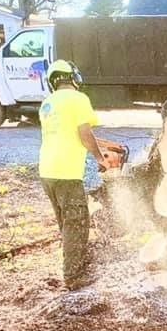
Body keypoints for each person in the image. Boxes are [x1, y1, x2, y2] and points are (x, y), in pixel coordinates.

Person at [38, 59, 111, 290]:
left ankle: (74, 262)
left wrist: (104, 147)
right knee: (77, 222)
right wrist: (101, 158)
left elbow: (66, 134)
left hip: (47, 171)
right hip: (66, 171)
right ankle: (74, 276)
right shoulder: (78, 99)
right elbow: (84, 134)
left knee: (66, 222)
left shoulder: (48, 103)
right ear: (72, 77)